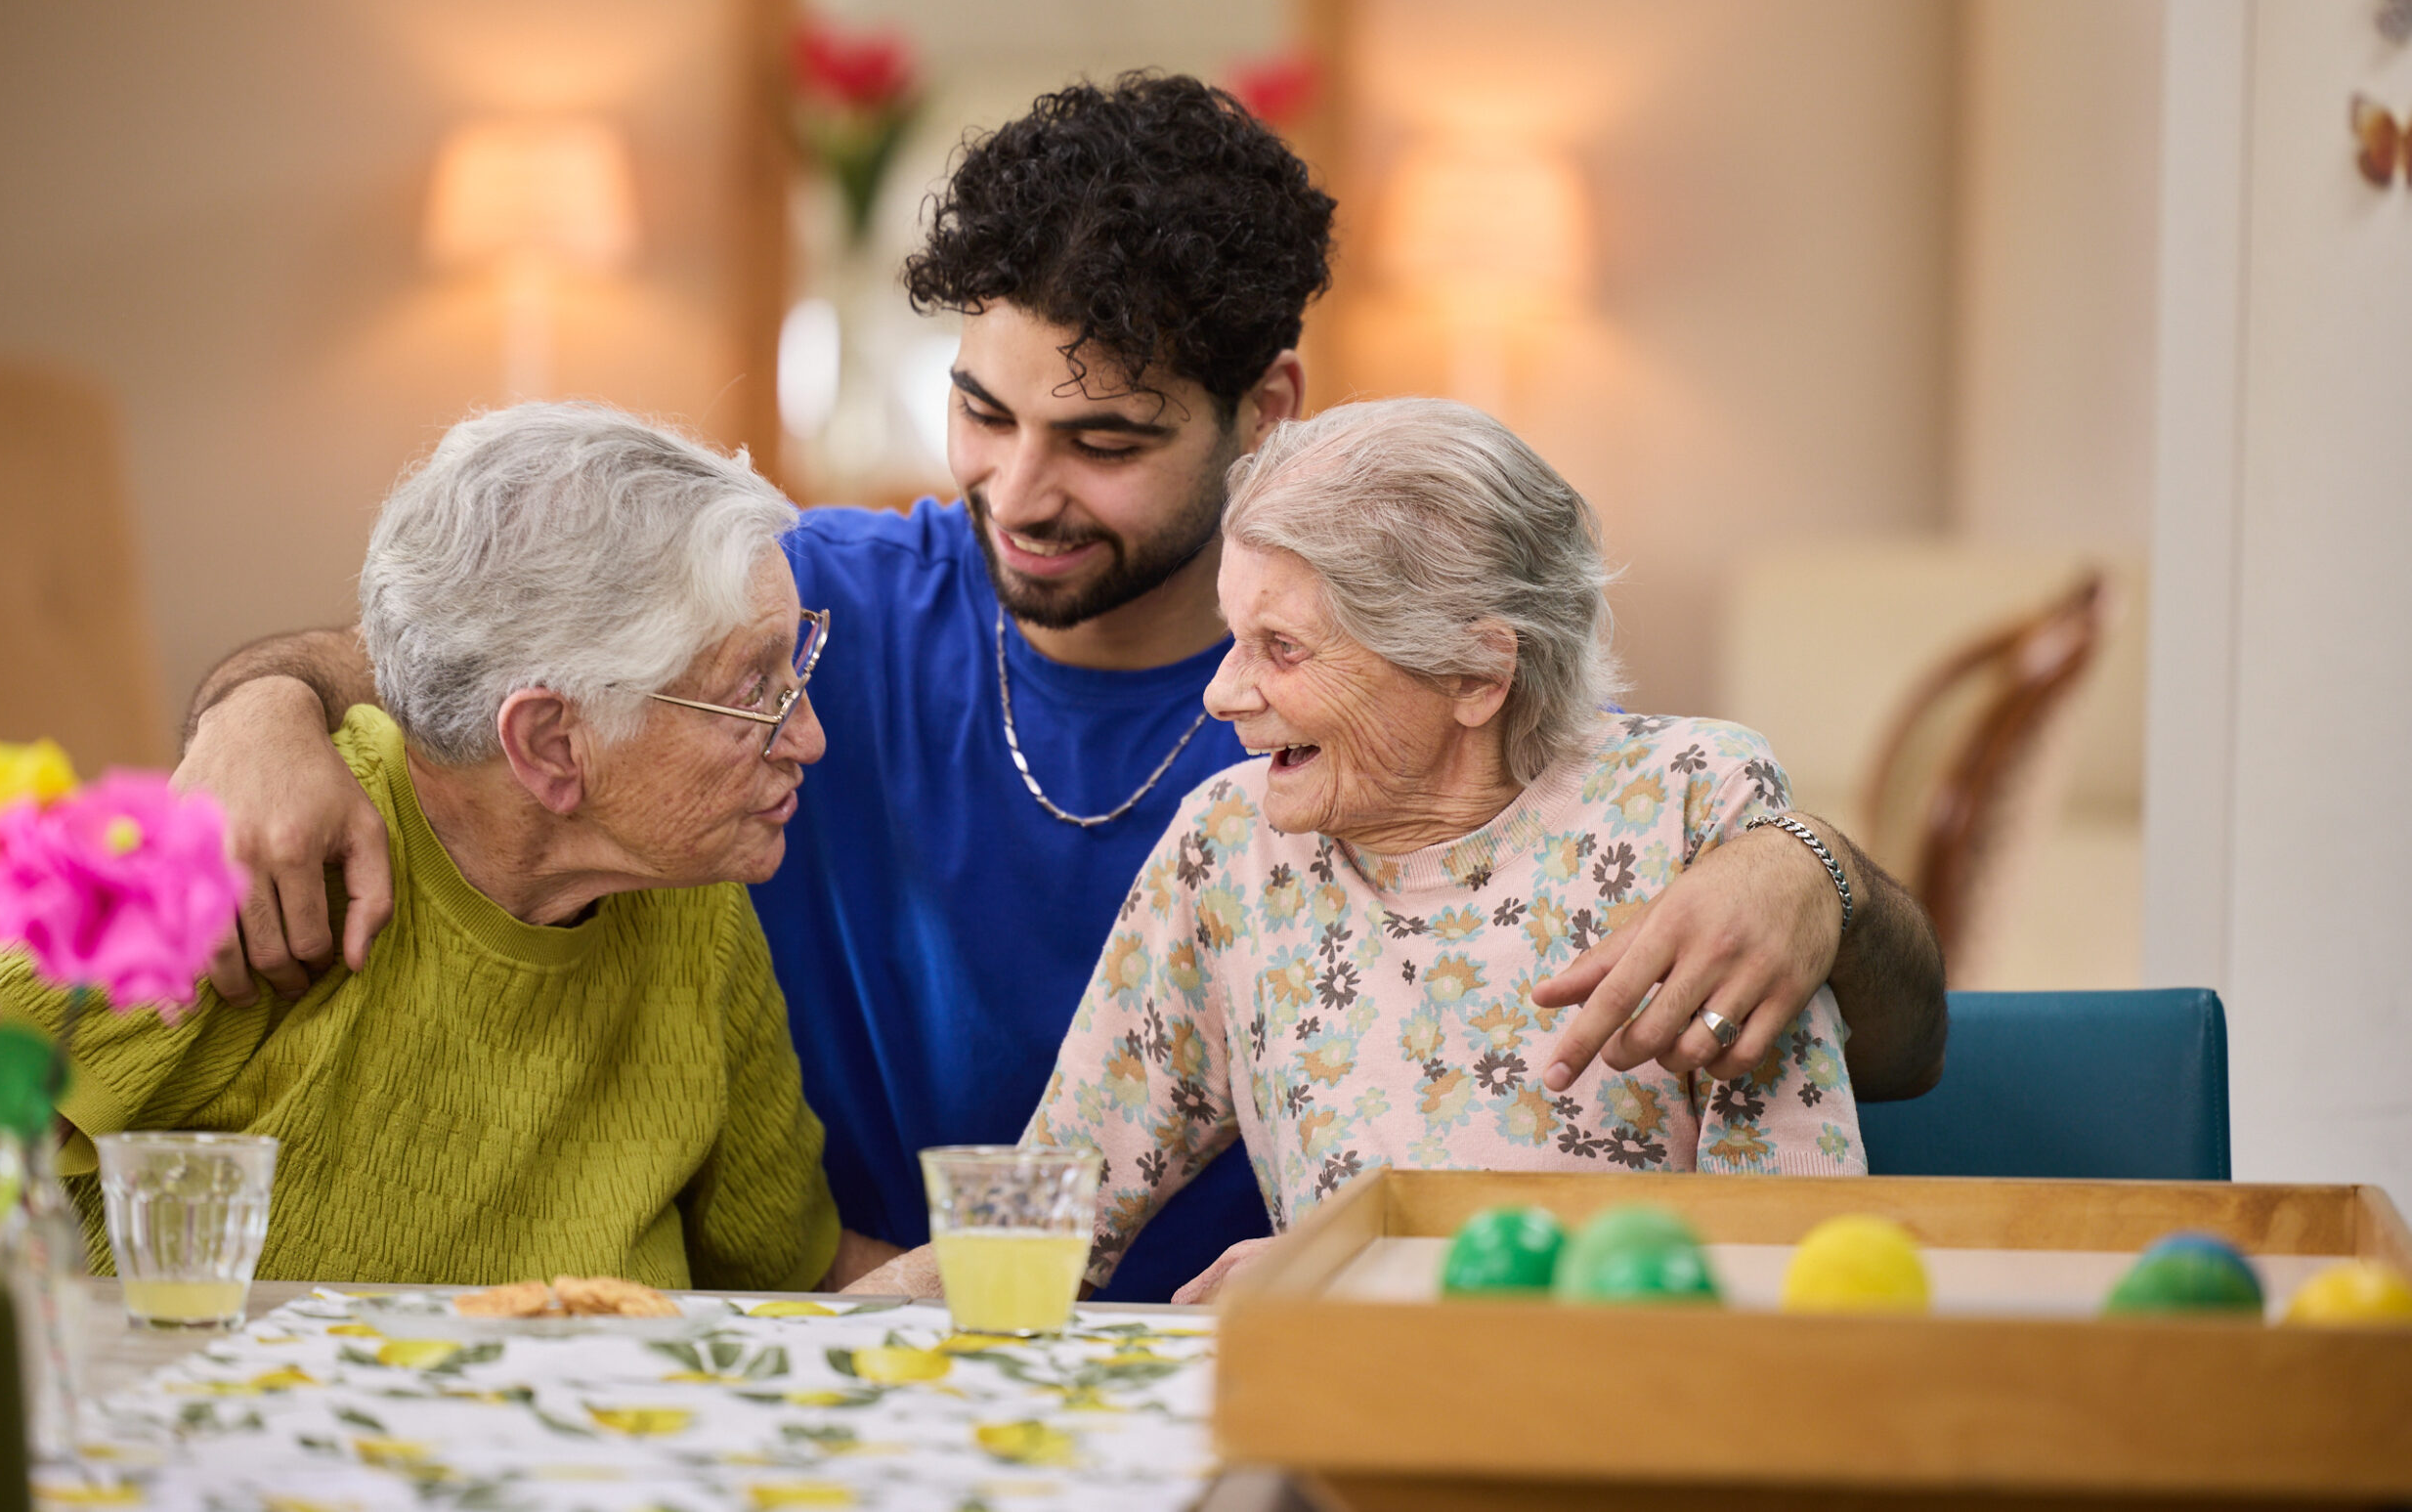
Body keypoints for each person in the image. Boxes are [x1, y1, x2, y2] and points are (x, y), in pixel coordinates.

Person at [170, 75, 1946, 1302]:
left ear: (1267, 412)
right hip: (941, 1352)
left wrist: (1810, 866)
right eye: (985, 412)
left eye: (1104, 438)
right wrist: (253, 713)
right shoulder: (813, 613)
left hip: (1296, 1392)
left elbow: (1892, 1027)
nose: (1021, 490)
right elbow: (475, 657)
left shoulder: (1407, 704)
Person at [864, 399, 1868, 1304]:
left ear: (1477, 672)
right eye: (1231, 635)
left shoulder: (1692, 805)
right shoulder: (1230, 844)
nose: (1221, 693)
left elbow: (1791, 1248)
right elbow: (1048, 1212)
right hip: (1350, 1425)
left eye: (1282, 648)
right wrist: (816, 1343)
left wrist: (1388, 1272)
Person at [0, 404, 871, 1292]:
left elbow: (788, 1276)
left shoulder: (689, 890)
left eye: (796, 663)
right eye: (753, 689)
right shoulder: (263, 855)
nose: (808, 736)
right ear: (547, 743)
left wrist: (950, 1286)